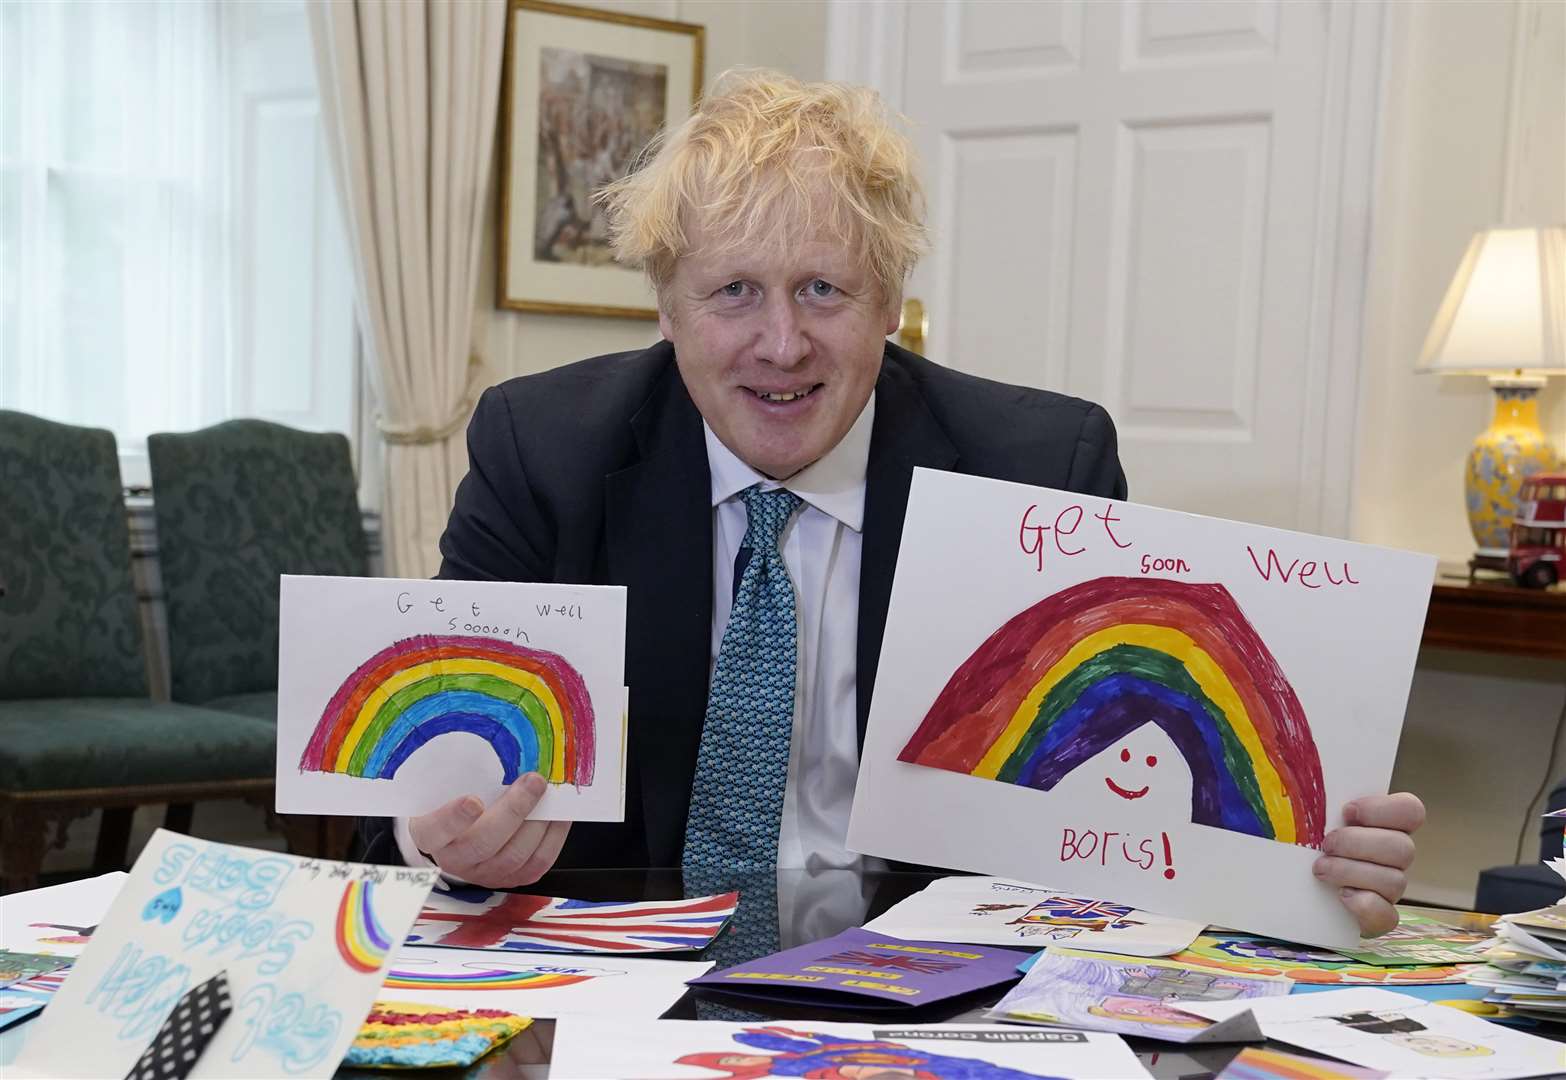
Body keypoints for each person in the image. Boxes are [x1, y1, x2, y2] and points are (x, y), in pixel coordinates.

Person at [357, 70, 1424, 937]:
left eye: (825, 288)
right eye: (735, 291)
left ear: (893, 305)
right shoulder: (542, 449)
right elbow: (403, 797)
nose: (782, 343)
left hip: (928, 998)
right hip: (617, 990)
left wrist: (1304, 864)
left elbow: (1131, 803)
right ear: (668, 307)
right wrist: (440, 836)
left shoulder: (1038, 469)